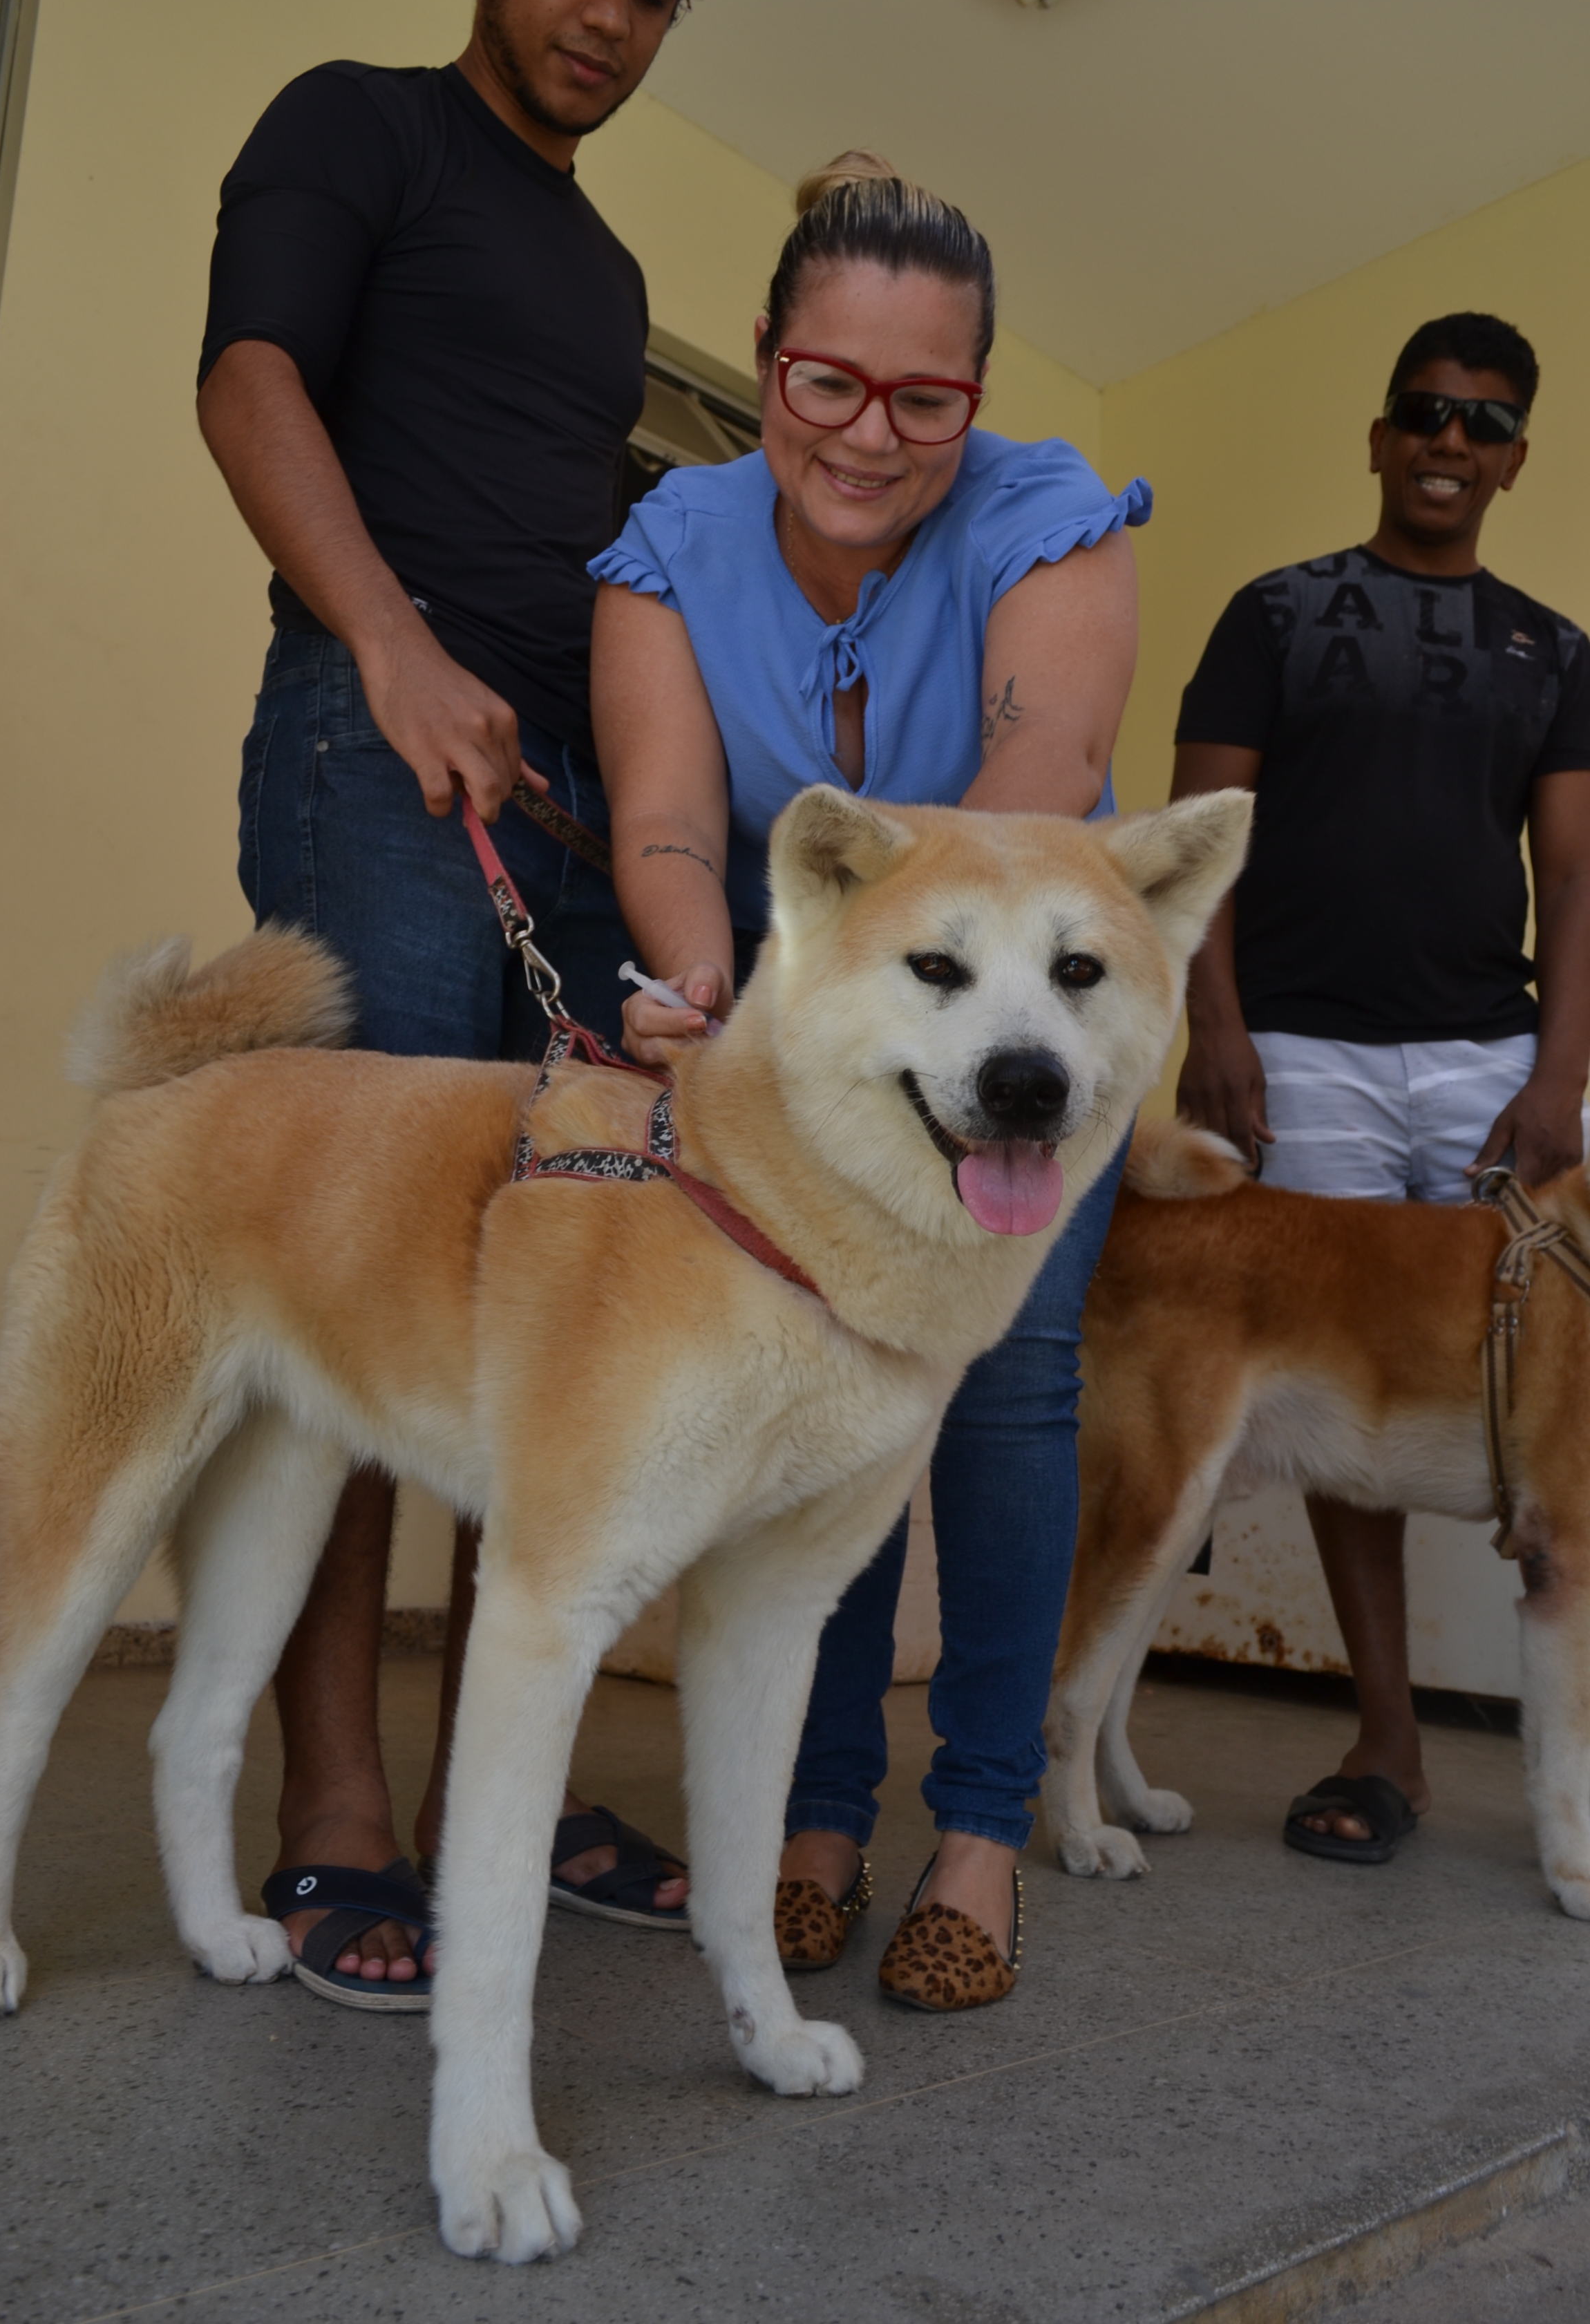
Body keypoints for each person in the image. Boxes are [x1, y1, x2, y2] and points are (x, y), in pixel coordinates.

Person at [194, 0, 721, 2004]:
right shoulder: (359, 121)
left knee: (557, 1297)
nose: (608, 12)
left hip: (566, 806)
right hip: (372, 742)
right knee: (368, 1281)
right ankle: (336, 1806)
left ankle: (505, 1785)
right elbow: (249, 383)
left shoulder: (604, 282)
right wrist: (398, 651)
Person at [589, 153, 1150, 2009]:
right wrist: (698, 978)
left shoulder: (1046, 513)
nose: (871, 434)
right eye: (828, 381)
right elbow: (669, 819)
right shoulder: (671, 543)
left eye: (928, 397)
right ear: (765, 360)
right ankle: (816, 1814)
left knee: (1001, 1398)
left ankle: (981, 1827)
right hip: (809, 1037)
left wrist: (931, 1012)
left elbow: (1045, 758)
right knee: (815, 1399)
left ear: (978, 402)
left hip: (1012, 1018)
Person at [1171, 312, 1590, 1862]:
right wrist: (1216, 1032)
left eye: (1483, 423)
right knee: (1340, 1388)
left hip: (1494, 1060)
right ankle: (1389, 1741)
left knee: (1565, 1379)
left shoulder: (1555, 649)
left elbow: (1578, 872)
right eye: (1424, 412)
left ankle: (1574, 1753)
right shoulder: (1275, 614)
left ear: (1515, 459)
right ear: (1379, 434)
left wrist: (1563, 1074)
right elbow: (1196, 844)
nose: (1448, 442)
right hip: (1304, 1050)